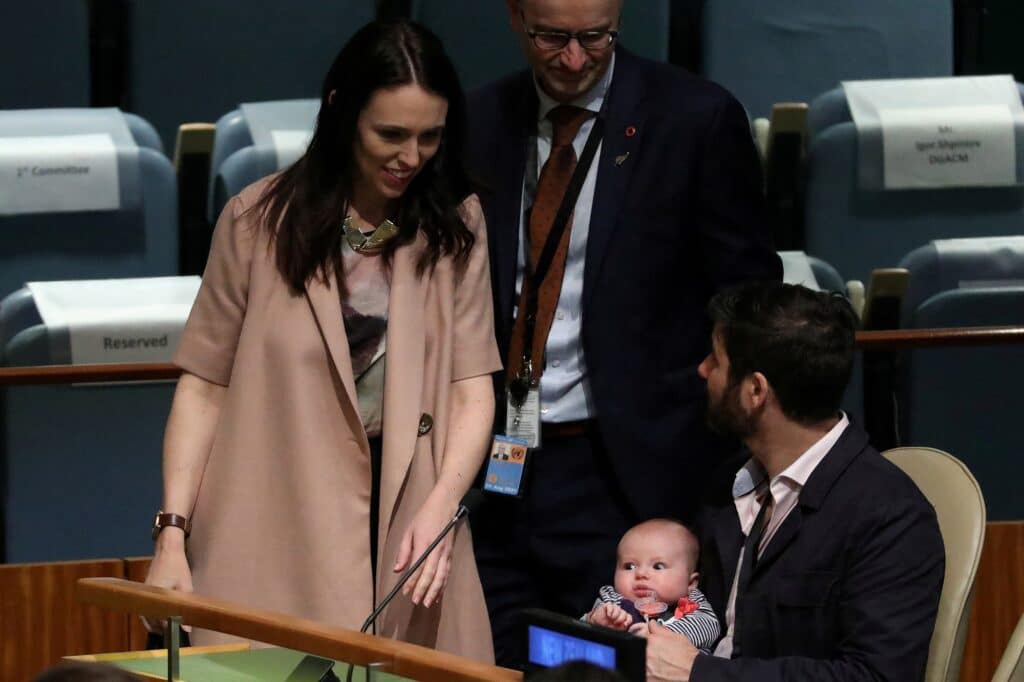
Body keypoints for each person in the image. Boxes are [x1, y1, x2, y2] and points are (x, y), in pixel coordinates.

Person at [144, 21, 500, 661]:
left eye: (429, 137)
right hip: (273, 520)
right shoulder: (255, 222)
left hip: (409, 528)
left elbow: (472, 389)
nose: (410, 157)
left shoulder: (457, 225)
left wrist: (443, 507)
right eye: (390, 134)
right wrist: (172, 533)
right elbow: (203, 388)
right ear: (340, 111)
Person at [464, 0, 782, 664]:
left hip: (627, 468)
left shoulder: (693, 119)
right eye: (553, 37)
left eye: (595, 37)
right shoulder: (480, 121)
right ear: (515, 18)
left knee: (607, 666)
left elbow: (748, 294)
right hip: (501, 460)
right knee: (496, 655)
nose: (575, 58)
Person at [644, 282, 945, 681]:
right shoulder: (730, 483)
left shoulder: (891, 516)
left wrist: (700, 673)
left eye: (716, 361)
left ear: (755, 391)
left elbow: (875, 676)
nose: (702, 370)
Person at [583, 519, 720, 653]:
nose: (641, 573)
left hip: (676, 672)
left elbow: (708, 627)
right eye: (629, 566)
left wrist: (659, 635)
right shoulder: (612, 600)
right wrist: (595, 621)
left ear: (690, 583)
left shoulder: (693, 603)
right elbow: (579, 630)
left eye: (658, 566)